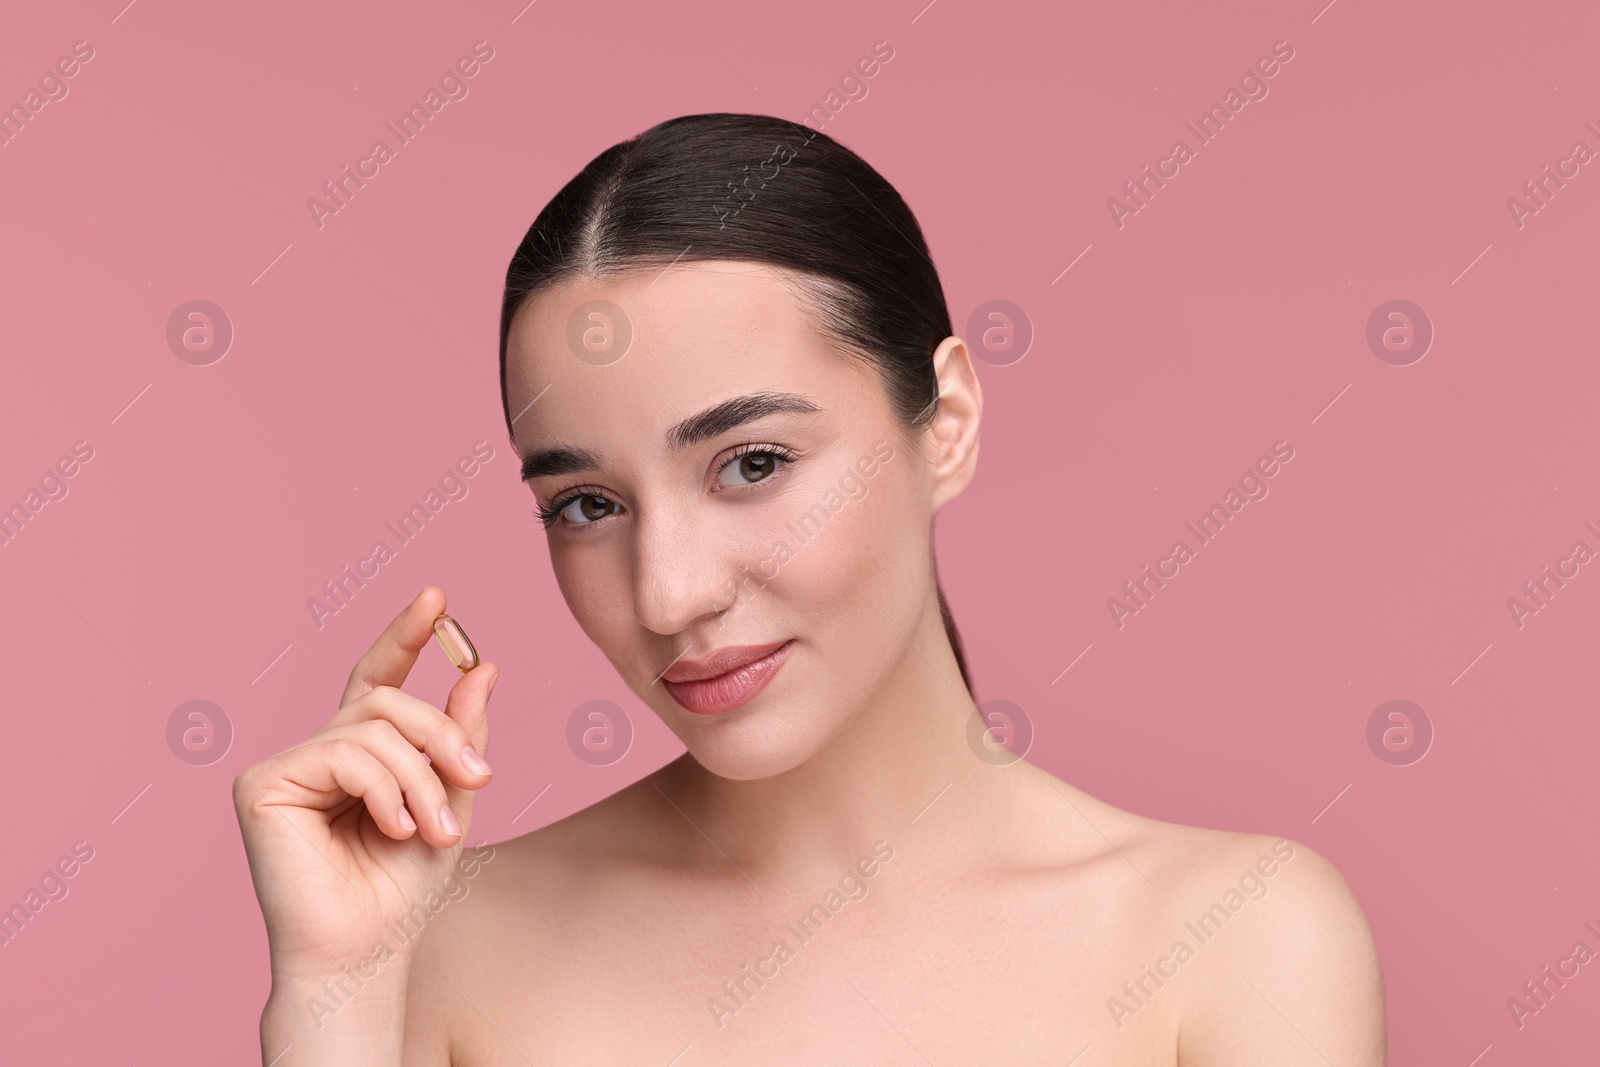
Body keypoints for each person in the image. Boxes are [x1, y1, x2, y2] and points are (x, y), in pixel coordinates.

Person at [234, 113, 1385, 1064]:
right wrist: (338, 996)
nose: (670, 593)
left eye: (752, 464)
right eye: (587, 502)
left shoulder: (1233, 939)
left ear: (946, 423)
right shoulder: (440, 945)